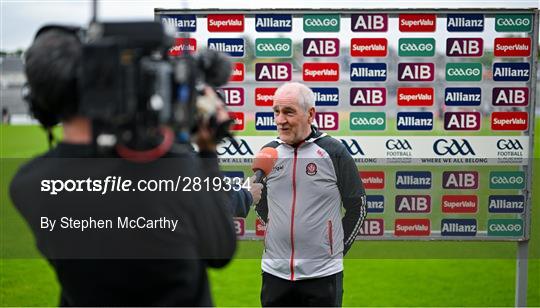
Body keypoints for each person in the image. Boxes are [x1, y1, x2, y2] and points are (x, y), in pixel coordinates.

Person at [10, 27, 238, 306]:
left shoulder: (27, 185)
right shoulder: (177, 170)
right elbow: (220, 251)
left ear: (39, 104)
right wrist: (207, 152)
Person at [255, 82, 367, 307]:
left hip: (322, 275)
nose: (280, 120)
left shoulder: (333, 151)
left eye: (288, 112)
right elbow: (260, 201)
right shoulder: (269, 153)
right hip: (274, 274)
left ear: (310, 114)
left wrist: (335, 249)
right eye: (276, 111)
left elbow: (359, 205)